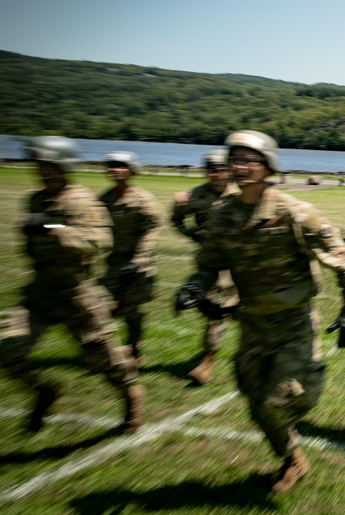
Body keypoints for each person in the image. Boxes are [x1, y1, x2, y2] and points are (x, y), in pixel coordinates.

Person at [175, 130, 345, 495]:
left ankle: (306, 382)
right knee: (254, 401)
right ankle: (293, 456)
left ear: (267, 167)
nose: (241, 167)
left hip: (293, 324)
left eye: (250, 160)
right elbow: (209, 261)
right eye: (236, 159)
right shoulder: (222, 215)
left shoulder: (293, 213)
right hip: (251, 324)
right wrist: (194, 286)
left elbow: (343, 258)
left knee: (275, 401)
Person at [0, 136, 143, 435]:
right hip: (40, 291)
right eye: (38, 164)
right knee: (6, 347)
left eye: (47, 164)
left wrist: (54, 230)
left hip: (78, 294)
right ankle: (42, 390)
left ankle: (132, 399)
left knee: (105, 360)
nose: (40, 170)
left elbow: (100, 240)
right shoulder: (36, 199)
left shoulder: (82, 200)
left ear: (61, 165)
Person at [170, 149, 238, 385]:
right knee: (215, 311)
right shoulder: (193, 195)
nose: (215, 175)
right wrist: (190, 232)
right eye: (211, 170)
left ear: (229, 170)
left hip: (244, 259)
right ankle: (207, 360)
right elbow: (176, 218)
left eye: (220, 170)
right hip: (212, 262)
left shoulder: (242, 193)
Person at [99, 151, 163, 366]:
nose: (114, 169)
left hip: (138, 264)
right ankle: (110, 352)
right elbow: (84, 223)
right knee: (101, 306)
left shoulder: (142, 199)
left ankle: (134, 346)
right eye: (111, 165)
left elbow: (152, 229)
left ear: (131, 170)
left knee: (129, 308)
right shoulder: (104, 199)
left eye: (120, 165)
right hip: (114, 263)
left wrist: (141, 258)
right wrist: (51, 226)